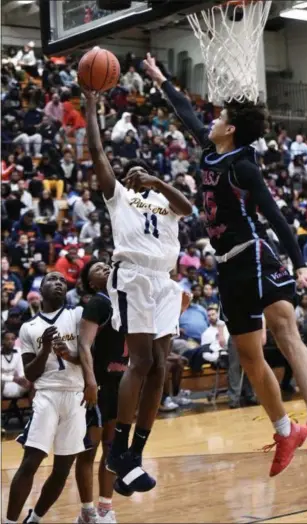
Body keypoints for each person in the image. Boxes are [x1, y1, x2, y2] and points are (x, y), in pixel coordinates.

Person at [143, 53, 307, 476]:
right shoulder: (211, 151)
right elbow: (187, 113)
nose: (211, 119)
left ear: (230, 129)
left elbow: (276, 216)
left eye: (219, 116)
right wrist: (161, 80)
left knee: (284, 332)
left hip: (254, 255)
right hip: (227, 268)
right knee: (246, 355)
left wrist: (300, 265)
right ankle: (286, 431)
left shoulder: (243, 165)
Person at [83, 86, 192, 496]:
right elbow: (97, 154)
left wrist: (159, 181)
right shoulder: (120, 198)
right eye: (134, 173)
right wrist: (92, 105)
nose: (137, 176)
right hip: (133, 277)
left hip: (164, 280)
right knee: (142, 360)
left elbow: (188, 208)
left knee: (161, 366)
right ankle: (119, 449)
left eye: (143, 173)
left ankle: (133, 455)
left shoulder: (164, 203)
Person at [5, 272, 88, 524]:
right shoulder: (29, 327)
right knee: (31, 460)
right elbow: (30, 373)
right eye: (52, 280)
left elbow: (90, 353)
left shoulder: (78, 315)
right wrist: (45, 350)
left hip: (76, 395)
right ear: (41, 289)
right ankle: (9, 521)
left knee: (63, 468)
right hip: (47, 395)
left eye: (63, 281)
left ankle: (36, 518)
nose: (59, 283)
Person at [75, 260, 128, 524]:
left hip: (120, 385)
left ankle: (105, 508)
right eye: (97, 268)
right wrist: (90, 381)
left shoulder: (125, 299)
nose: (105, 268)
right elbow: (83, 345)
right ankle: (86, 512)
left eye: (106, 265)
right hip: (99, 386)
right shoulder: (98, 302)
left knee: (111, 449)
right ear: (91, 283)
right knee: (89, 450)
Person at [1, 331, 30, 399]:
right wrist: (13, 378)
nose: (10, 341)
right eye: (7, 339)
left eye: (13, 339)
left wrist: (22, 378)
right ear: (2, 341)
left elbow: (20, 369)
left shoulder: (18, 351)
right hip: (3, 381)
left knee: (32, 383)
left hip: (15, 381)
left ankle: (32, 407)